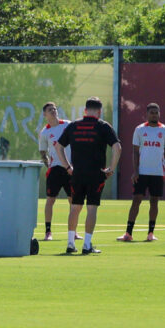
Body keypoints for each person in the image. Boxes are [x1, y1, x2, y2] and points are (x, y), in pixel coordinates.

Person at [54, 97, 122, 255]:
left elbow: (58, 147)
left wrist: (67, 166)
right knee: (92, 209)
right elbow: (117, 147)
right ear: (99, 111)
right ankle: (86, 244)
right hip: (96, 174)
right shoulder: (103, 126)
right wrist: (111, 168)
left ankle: (70, 243)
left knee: (75, 207)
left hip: (77, 173)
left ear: (85, 110)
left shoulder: (74, 125)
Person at [118, 103, 165, 242]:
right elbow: (135, 152)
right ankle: (128, 233)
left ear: (159, 114)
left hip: (157, 173)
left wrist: (158, 155)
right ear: (147, 114)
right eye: (152, 112)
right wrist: (136, 171)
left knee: (154, 203)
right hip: (142, 173)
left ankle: (150, 233)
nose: (154, 115)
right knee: (136, 201)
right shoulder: (140, 129)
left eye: (156, 112)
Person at [38, 102, 79, 241]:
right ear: (45, 114)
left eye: (54, 109)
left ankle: (74, 231)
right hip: (55, 169)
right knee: (50, 200)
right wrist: (47, 163)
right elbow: (42, 152)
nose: (54, 111)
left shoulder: (67, 125)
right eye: (50, 110)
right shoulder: (45, 132)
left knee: (73, 200)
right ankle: (48, 231)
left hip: (70, 168)